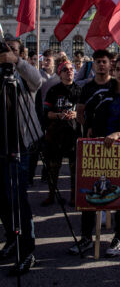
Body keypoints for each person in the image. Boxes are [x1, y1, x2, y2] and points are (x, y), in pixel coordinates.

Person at [69, 53, 120, 257]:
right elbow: (88, 114)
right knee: (89, 197)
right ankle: (86, 238)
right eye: (117, 69)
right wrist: (92, 127)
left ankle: (118, 238)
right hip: (98, 153)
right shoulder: (103, 95)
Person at [0, 36, 43, 274]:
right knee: (3, 199)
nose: (10, 54)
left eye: (15, 51)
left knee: (18, 199)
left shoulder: (24, 77)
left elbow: (38, 80)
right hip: (1, 147)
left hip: (20, 145)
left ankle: (27, 250)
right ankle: (11, 238)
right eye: (6, 51)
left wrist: (16, 62)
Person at [41, 57, 81, 207]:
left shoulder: (79, 90)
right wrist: (58, 115)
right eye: (65, 70)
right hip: (56, 135)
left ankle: (73, 196)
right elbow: (46, 113)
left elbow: (85, 112)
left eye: (71, 69)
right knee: (53, 167)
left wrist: (76, 114)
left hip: (73, 134)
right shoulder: (53, 90)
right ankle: (51, 195)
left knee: (74, 169)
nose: (69, 72)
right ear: (60, 73)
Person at [77, 49, 115, 128]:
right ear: (93, 65)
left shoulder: (118, 85)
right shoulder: (86, 88)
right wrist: (88, 127)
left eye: (104, 62)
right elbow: (79, 114)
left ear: (110, 65)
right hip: (92, 136)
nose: (101, 64)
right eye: (98, 62)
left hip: (113, 135)